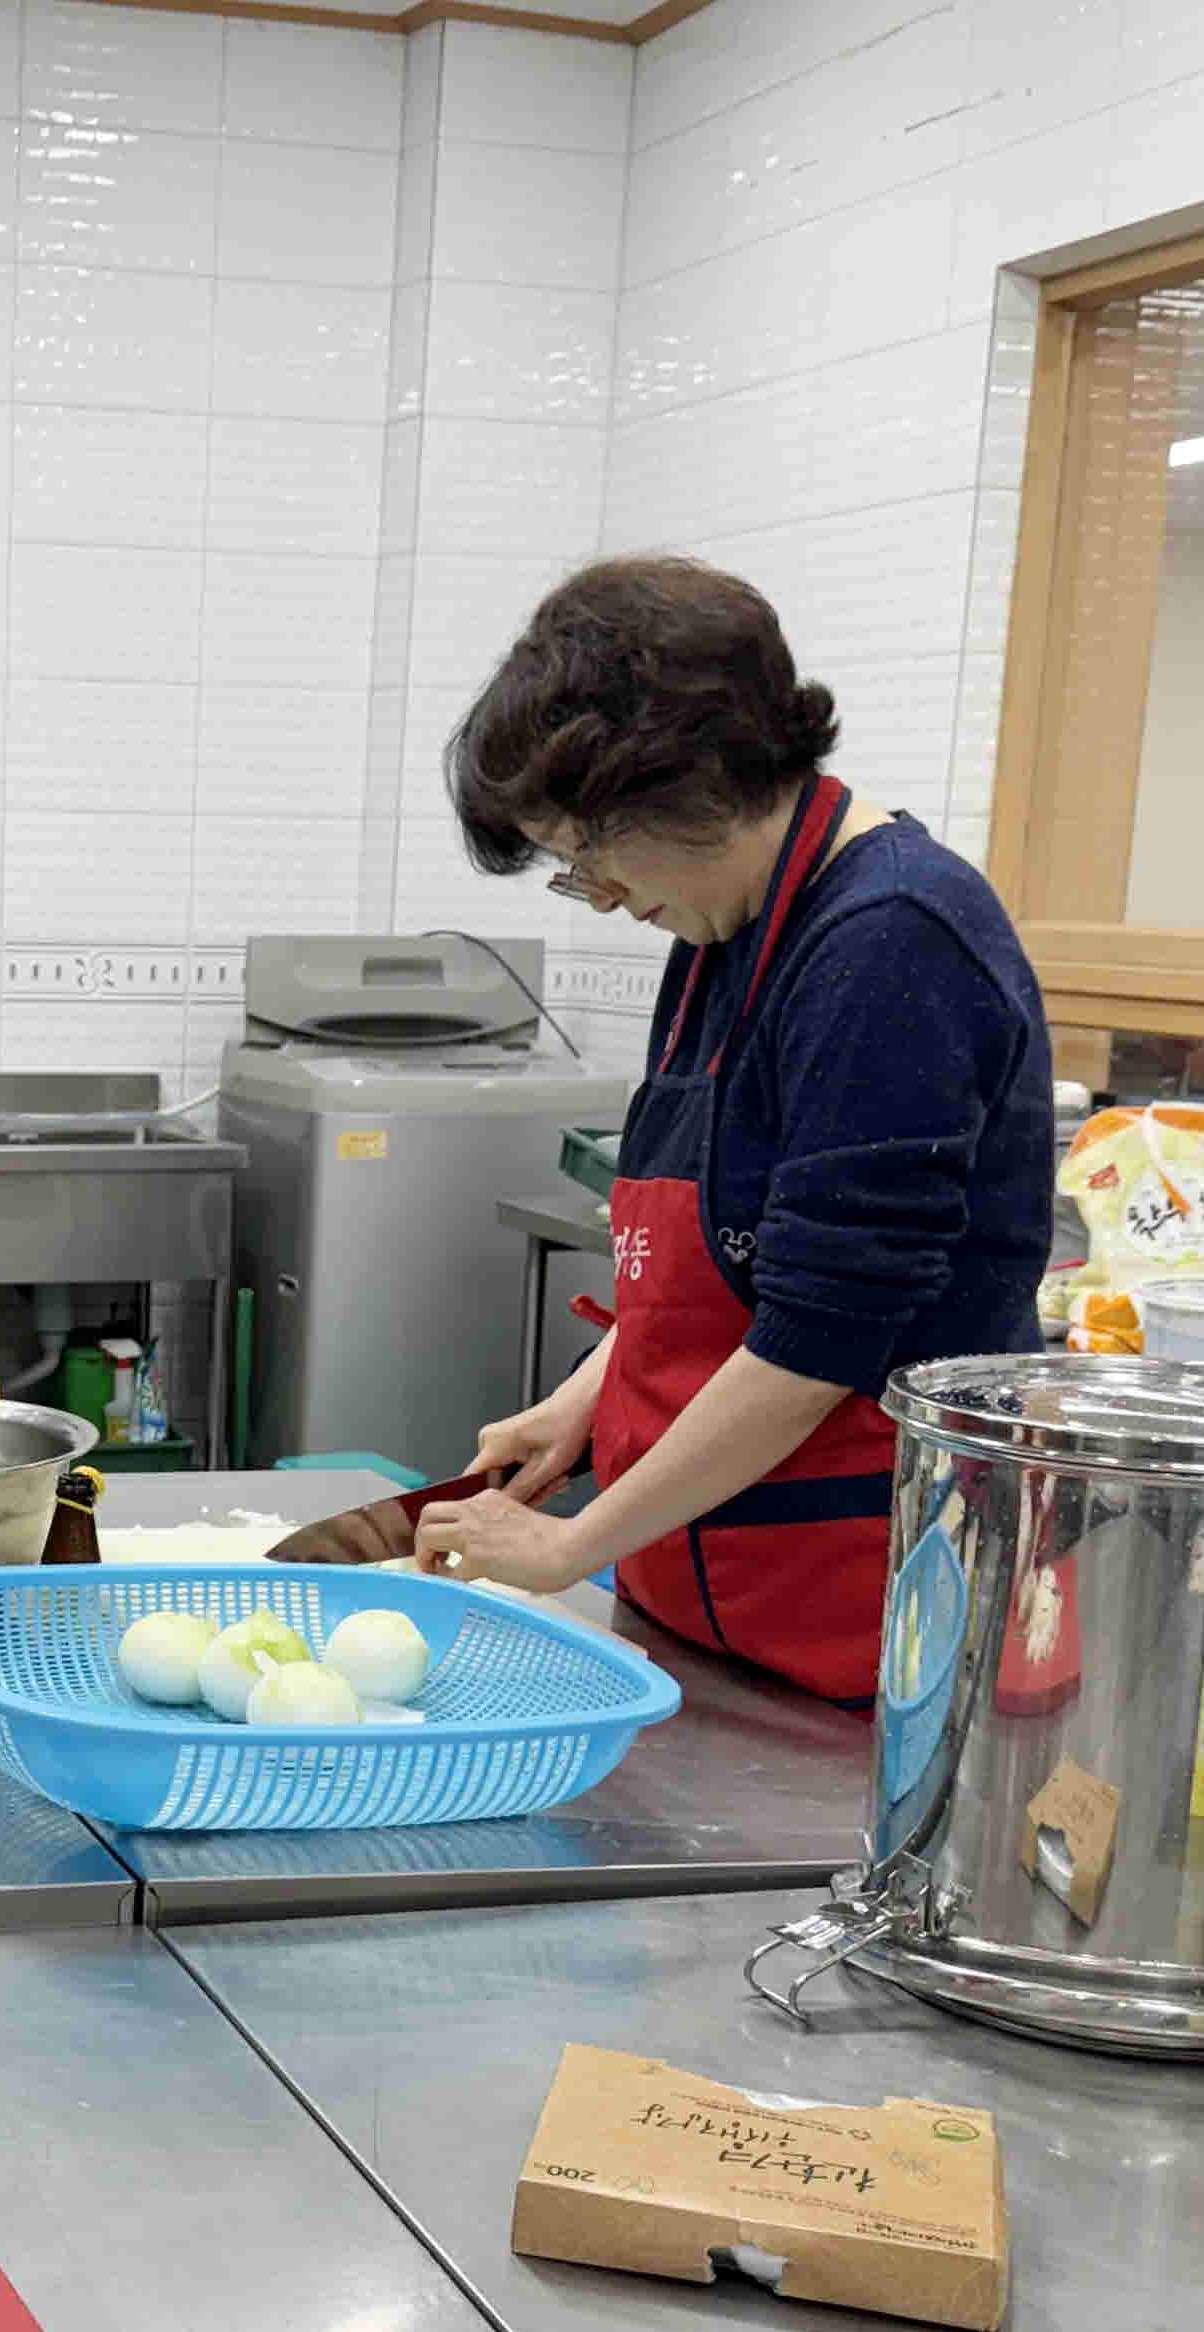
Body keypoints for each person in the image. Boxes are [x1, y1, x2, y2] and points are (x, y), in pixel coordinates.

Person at [415, 556, 1051, 1705]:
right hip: (707, 1603)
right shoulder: (725, 936)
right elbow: (722, 1266)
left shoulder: (890, 941)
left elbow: (823, 1334)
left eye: (590, 853)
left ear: (692, 782)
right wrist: (581, 1406)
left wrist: (569, 1547)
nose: (598, 890)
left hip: (862, 1617)